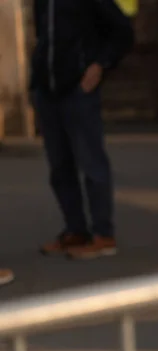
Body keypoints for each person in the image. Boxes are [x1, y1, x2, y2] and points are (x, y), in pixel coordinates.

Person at [31, 0, 133, 259]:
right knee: (59, 166)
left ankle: (103, 235)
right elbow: (43, 37)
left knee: (91, 164)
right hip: (48, 92)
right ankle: (75, 230)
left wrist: (100, 64)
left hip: (78, 91)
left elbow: (122, 31)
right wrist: (36, 84)